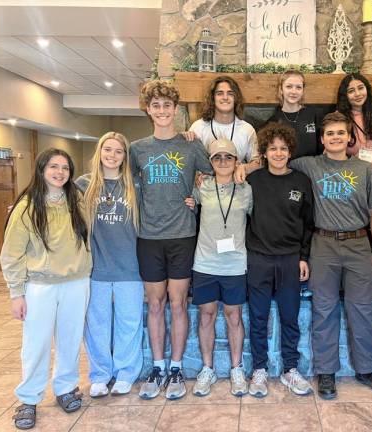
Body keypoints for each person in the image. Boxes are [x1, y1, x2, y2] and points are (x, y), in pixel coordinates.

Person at [288, 112, 372, 400]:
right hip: (322, 245)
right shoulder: (308, 165)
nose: (335, 137)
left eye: (340, 133)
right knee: (324, 309)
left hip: (359, 244)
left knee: (362, 309)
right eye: (329, 133)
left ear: (350, 138)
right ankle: (326, 371)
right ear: (322, 139)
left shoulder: (365, 170)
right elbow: (276, 160)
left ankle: (367, 368)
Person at [130, 80, 212, 400]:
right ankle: (158, 366)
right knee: (155, 304)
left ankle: (176, 367)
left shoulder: (191, 144)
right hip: (148, 236)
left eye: (167, 105)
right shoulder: (138, 149)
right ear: (148, 110)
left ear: (175, 110)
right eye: (156, 106)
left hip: (182, 235)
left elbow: (213, 173)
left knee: (178, 303)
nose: (162, 111)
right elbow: (124, 183)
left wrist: (195, 194)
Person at [0, 148, 91, 430]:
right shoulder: (27, 206)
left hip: (76, 282)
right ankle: (28, 398)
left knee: (70, 340)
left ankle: (65, 388)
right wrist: (16, 293)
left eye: (65, 168)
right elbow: (11, 253)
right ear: (41, 170)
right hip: (40, 286)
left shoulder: (76, 200)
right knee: (36, 345)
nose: (60, 172)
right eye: (54, 166)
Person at [246, 122, 314, 397]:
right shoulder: (254, 180)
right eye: (272, 148)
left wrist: (303, 257)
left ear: (290, 151)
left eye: (283, 148)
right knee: (258, 316)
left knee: (290, 317)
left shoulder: (301, 181)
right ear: (264, 152)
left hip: (289, 259)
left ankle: (290, 369)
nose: (278, 153)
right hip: (258, 258)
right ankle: (259, 370)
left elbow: (308, 224)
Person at [75, 132, 143, 398]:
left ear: (125, 156)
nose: (112, 155)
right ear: (99, 152)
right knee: (97, 325)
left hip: (130, 268)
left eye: (118, 151)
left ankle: (126, 372)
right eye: (108, 150)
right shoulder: (83, 185)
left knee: (129, 323)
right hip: (97, 269)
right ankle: (100, 374)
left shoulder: (134, 185)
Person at [186, 138, 253, 398]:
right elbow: (189, 206)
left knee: (233, 316)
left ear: (237, 161)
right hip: (205, 262)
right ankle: (208, 368)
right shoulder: (201, 186)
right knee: (206, 316)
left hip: (235, 264)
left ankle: (237, 368)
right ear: (210, 163)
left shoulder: (246, 189)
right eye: (217, 158)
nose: (223, 162)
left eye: (228, 157)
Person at [189, 76, 261, 182]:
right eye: (220, 93)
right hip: (206, 190)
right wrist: (196, 176)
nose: (225, 97)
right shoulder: (198, 127)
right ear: (212, 98)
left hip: (237, 189)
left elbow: (258, 162)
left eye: (230, 93)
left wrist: (244, 168)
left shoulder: (247, 129)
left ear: (236, 98)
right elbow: (187, 162)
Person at [267, 70, 322, 158]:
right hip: (287, 169)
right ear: (281, 89)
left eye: (298, 87)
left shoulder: (313, 114)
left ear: (303, 90)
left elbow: (323, 146)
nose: (294, 91)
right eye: (289, 86)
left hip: (311, 168)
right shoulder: (274, 121)